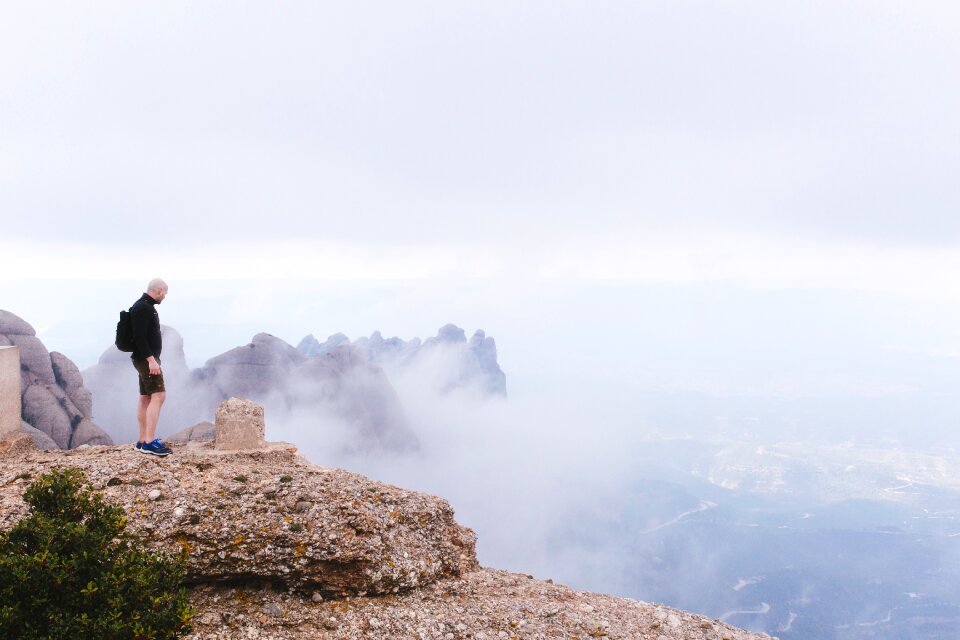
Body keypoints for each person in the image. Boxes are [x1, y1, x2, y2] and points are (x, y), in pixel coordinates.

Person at [130, 278, 172, 456]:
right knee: (159, 396)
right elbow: (139, 337)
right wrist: (151, 360)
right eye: (165, 294)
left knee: (146, 397)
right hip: (147, 360)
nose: (165, 297)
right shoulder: (143, 308)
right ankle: (149, 442)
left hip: (144, 359)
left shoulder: (143, 306)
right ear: (160, 290)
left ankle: (142, 440)